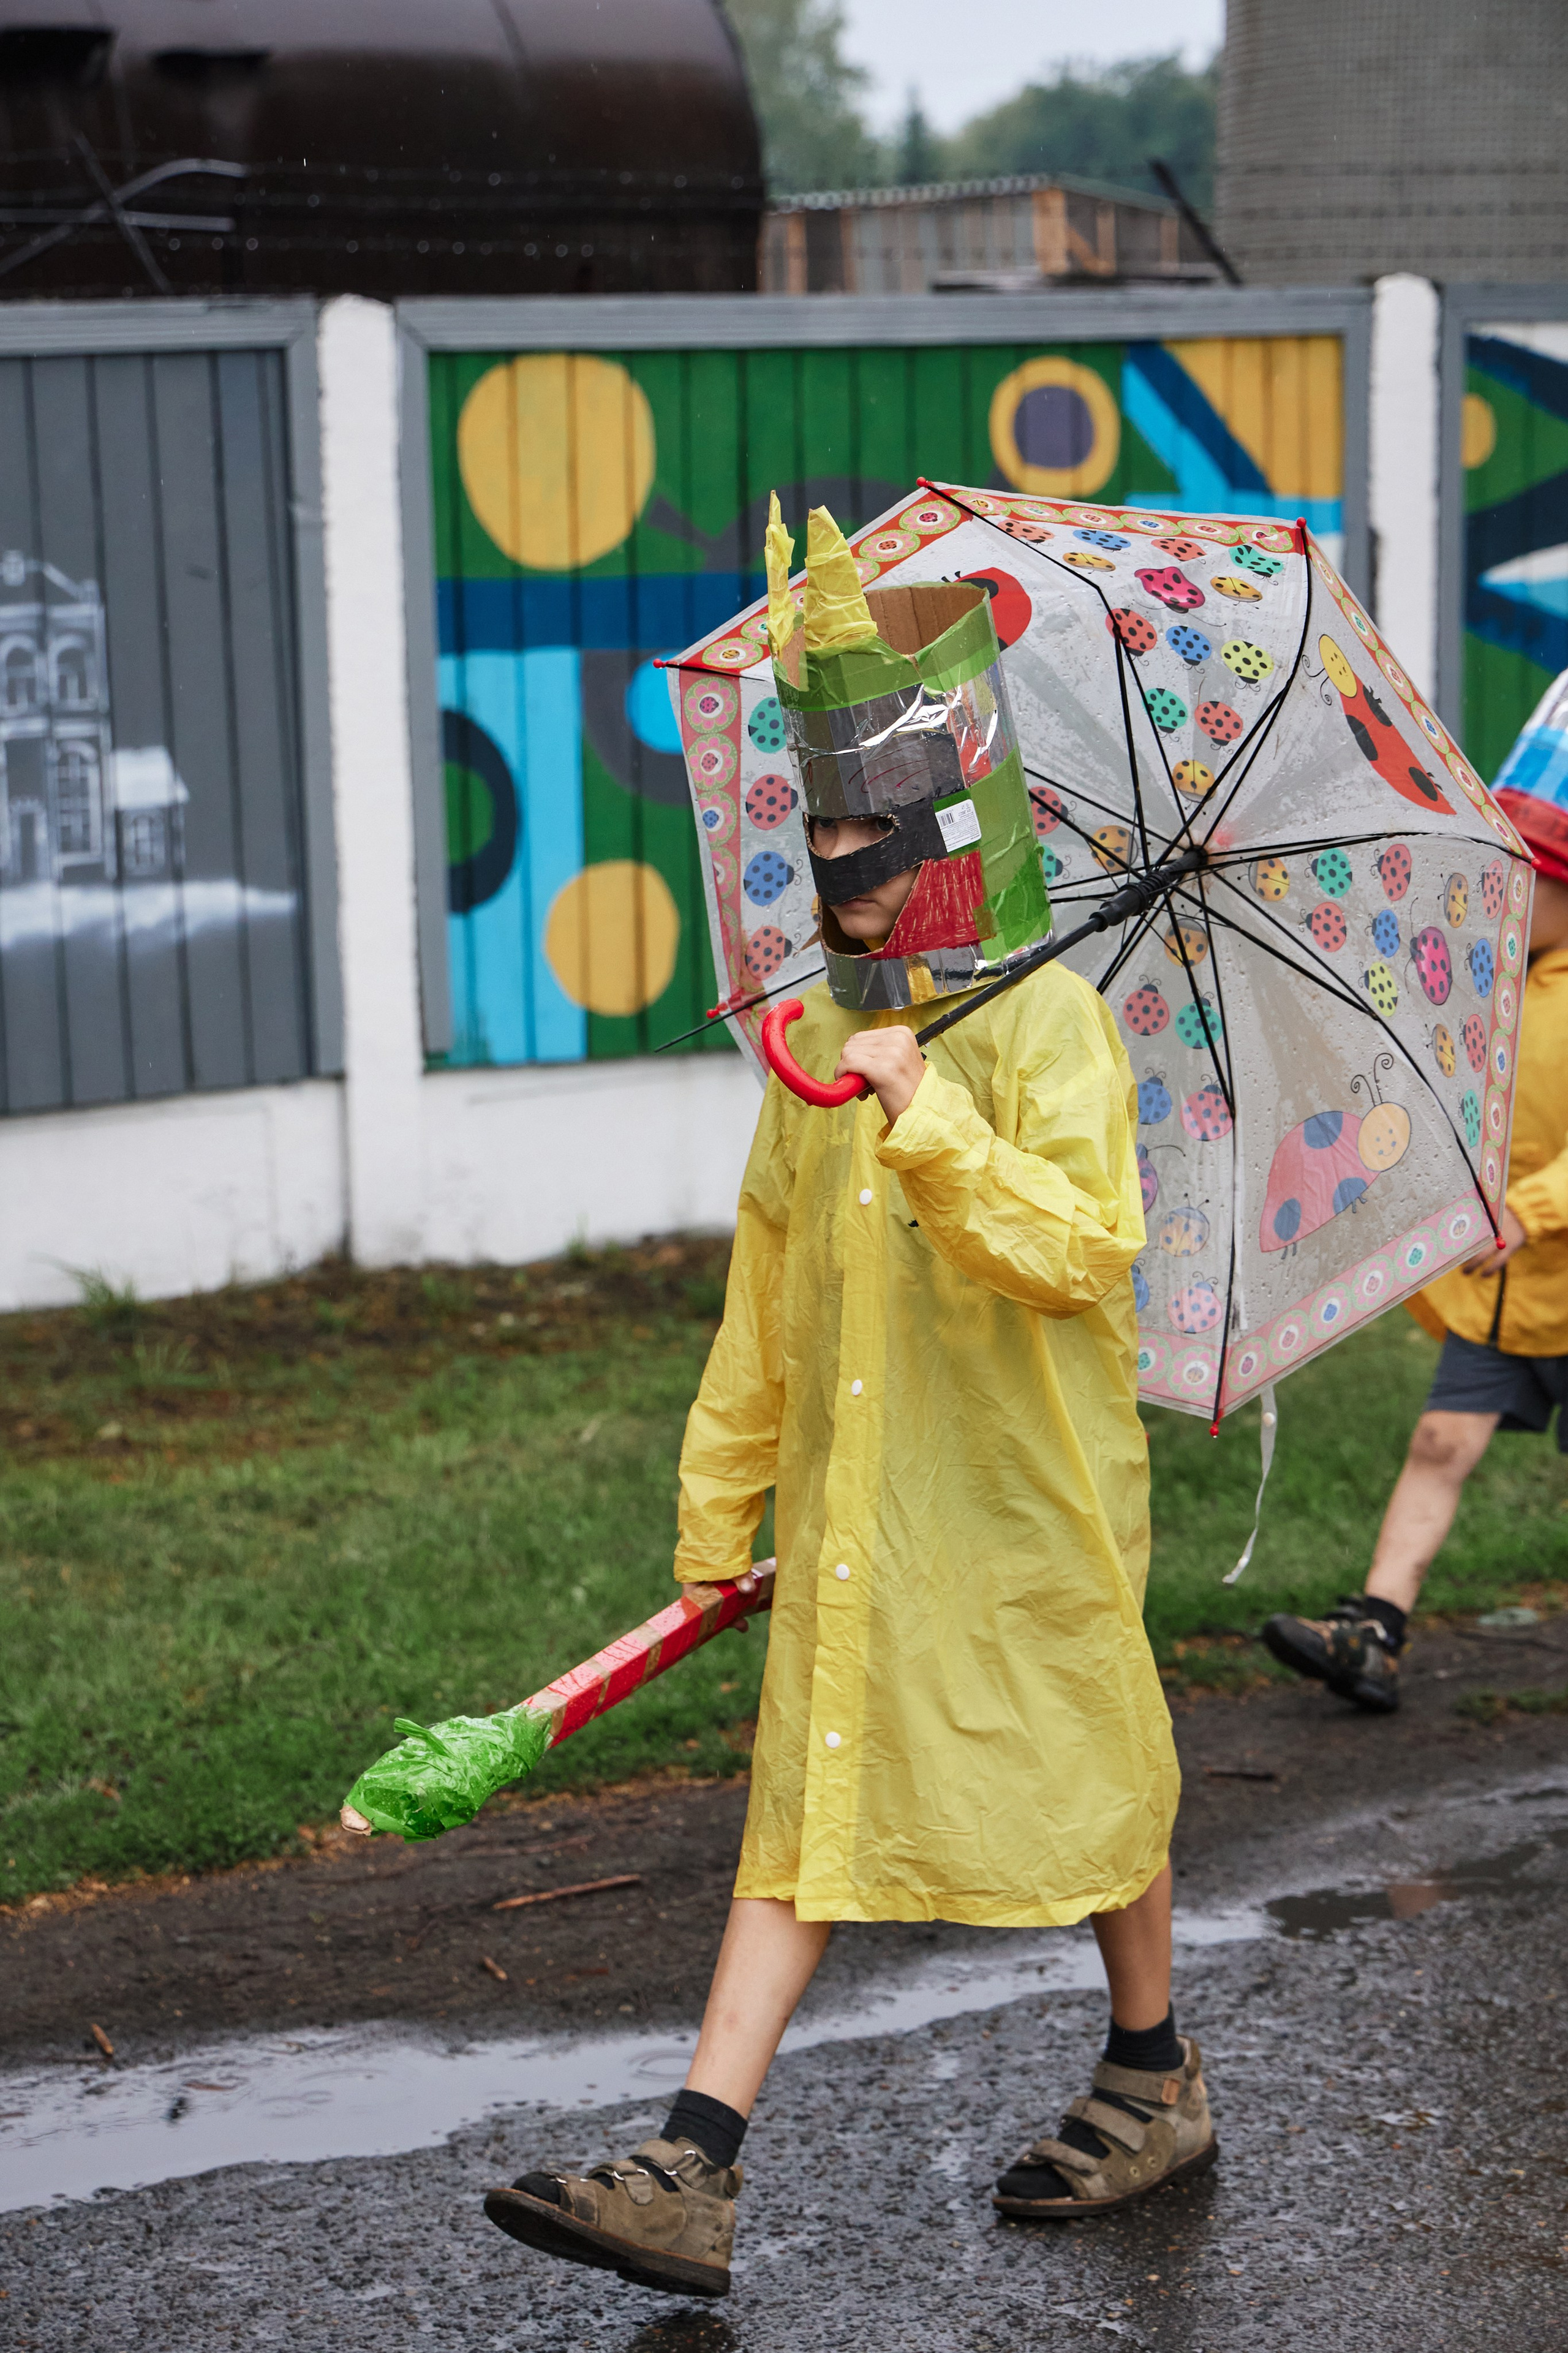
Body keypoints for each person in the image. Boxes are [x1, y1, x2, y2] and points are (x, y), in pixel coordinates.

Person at [481, 506, 1212, 2300]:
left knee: (1092, 1777)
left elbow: (1081, 1255)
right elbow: (767, 1295)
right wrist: (719, 1504)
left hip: (1024, 1500)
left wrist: (933, 1114)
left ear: (962, 830)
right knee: (806, 1806)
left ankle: (1152, 2062)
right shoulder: (810, 1048)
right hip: (860, 1502)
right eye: (817, 835)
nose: (841, 870)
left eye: (873, 835)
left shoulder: (1054, 1034)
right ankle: (694, 2159)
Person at [1264, 672, 1568, 1714]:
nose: (1506, 903)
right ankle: (1375, 1630)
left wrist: (1535, 1208)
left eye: (1530, 886)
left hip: (1547, 1256)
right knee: (1441, 1441)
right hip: (1502, 1288)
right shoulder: (1481, 984)